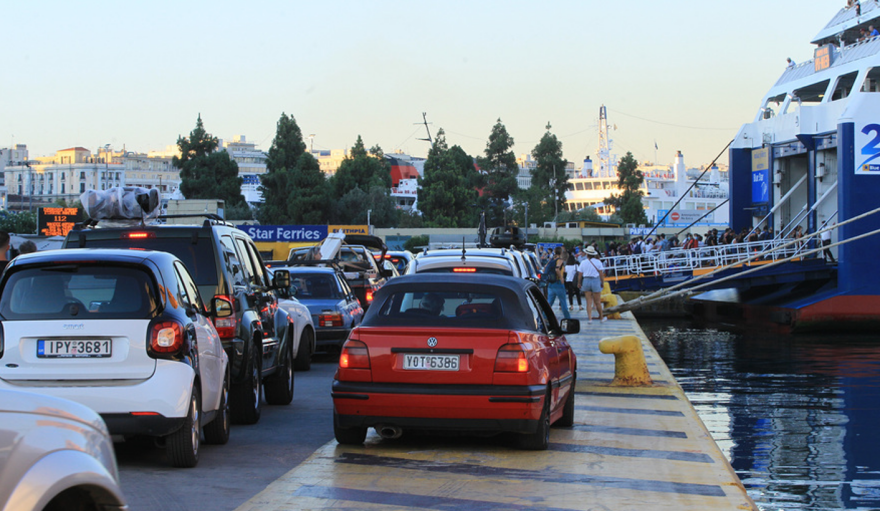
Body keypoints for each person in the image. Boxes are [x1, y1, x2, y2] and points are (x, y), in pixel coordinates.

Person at [577, 246, 606, 323]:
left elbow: (580, 274)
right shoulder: (598, 262)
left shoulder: (583, 262)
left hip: (586, 280)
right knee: (597, 302)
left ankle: (590, 319)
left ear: (587, 254)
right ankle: (601, 318)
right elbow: (601, 274)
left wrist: (579, 283)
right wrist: (602, 283)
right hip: (595, 281)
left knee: (588, 302)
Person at [543, 247, 570, 320]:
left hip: (551, 284)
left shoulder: (551, 260)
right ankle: (568, 319)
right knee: (563, 302)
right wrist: (561, 277)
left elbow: (545, 268)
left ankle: (542, 318)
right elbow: (557, 269)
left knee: (549, 303)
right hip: (558, 283)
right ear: (561, 252)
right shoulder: (560, 260)